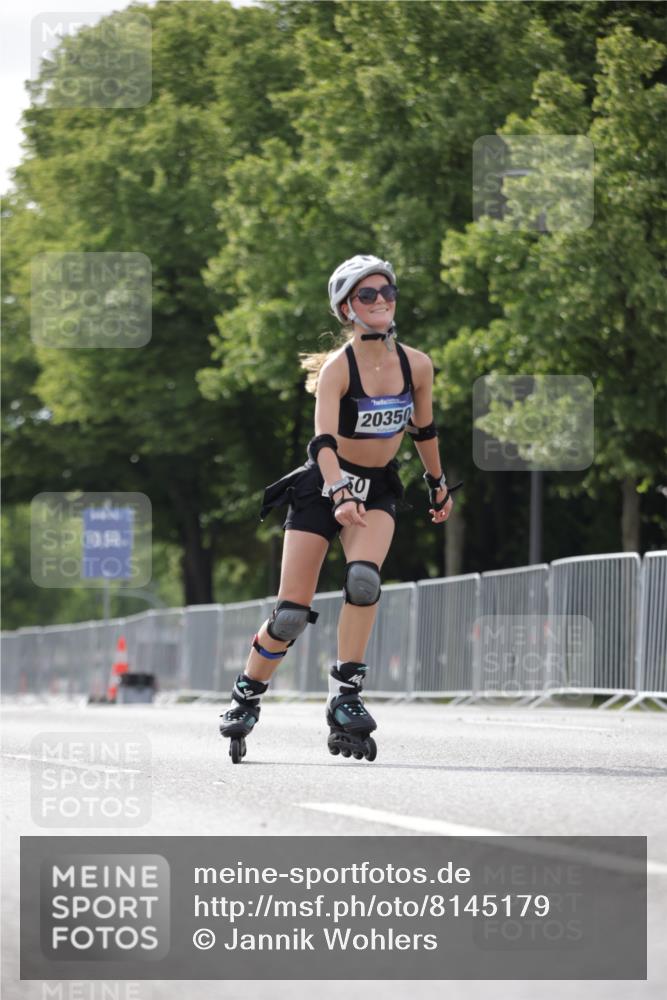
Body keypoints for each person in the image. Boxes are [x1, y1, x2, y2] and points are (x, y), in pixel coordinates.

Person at [219, 254, 461, 763]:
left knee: (364, 582)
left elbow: (425, 430)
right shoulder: (337, 368)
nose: (381, 301)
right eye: (367, 295)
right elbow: (321, 443)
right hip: (322, 488)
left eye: (387, 292)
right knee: (289, 615)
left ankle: (345, 696)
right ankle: (246, 694)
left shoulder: (416, 364)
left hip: (378, 488)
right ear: (347, 307)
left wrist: (437, 483)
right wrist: (338, 491)